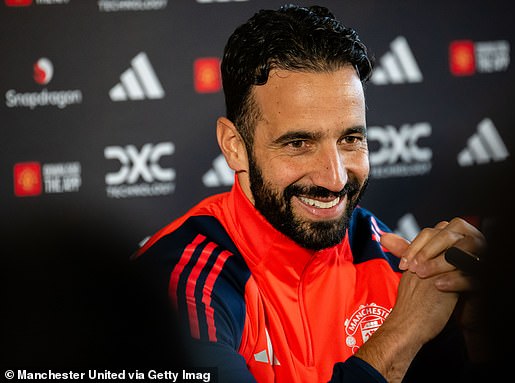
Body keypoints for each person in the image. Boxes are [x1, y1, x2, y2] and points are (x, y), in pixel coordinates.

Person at [133, 4, 487, 382]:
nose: (334, 178)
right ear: (234, 145)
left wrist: (483, 335)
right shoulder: (178, 284)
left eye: (351, 139)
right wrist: (399, 339)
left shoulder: (397, 264)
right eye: (299, 143)